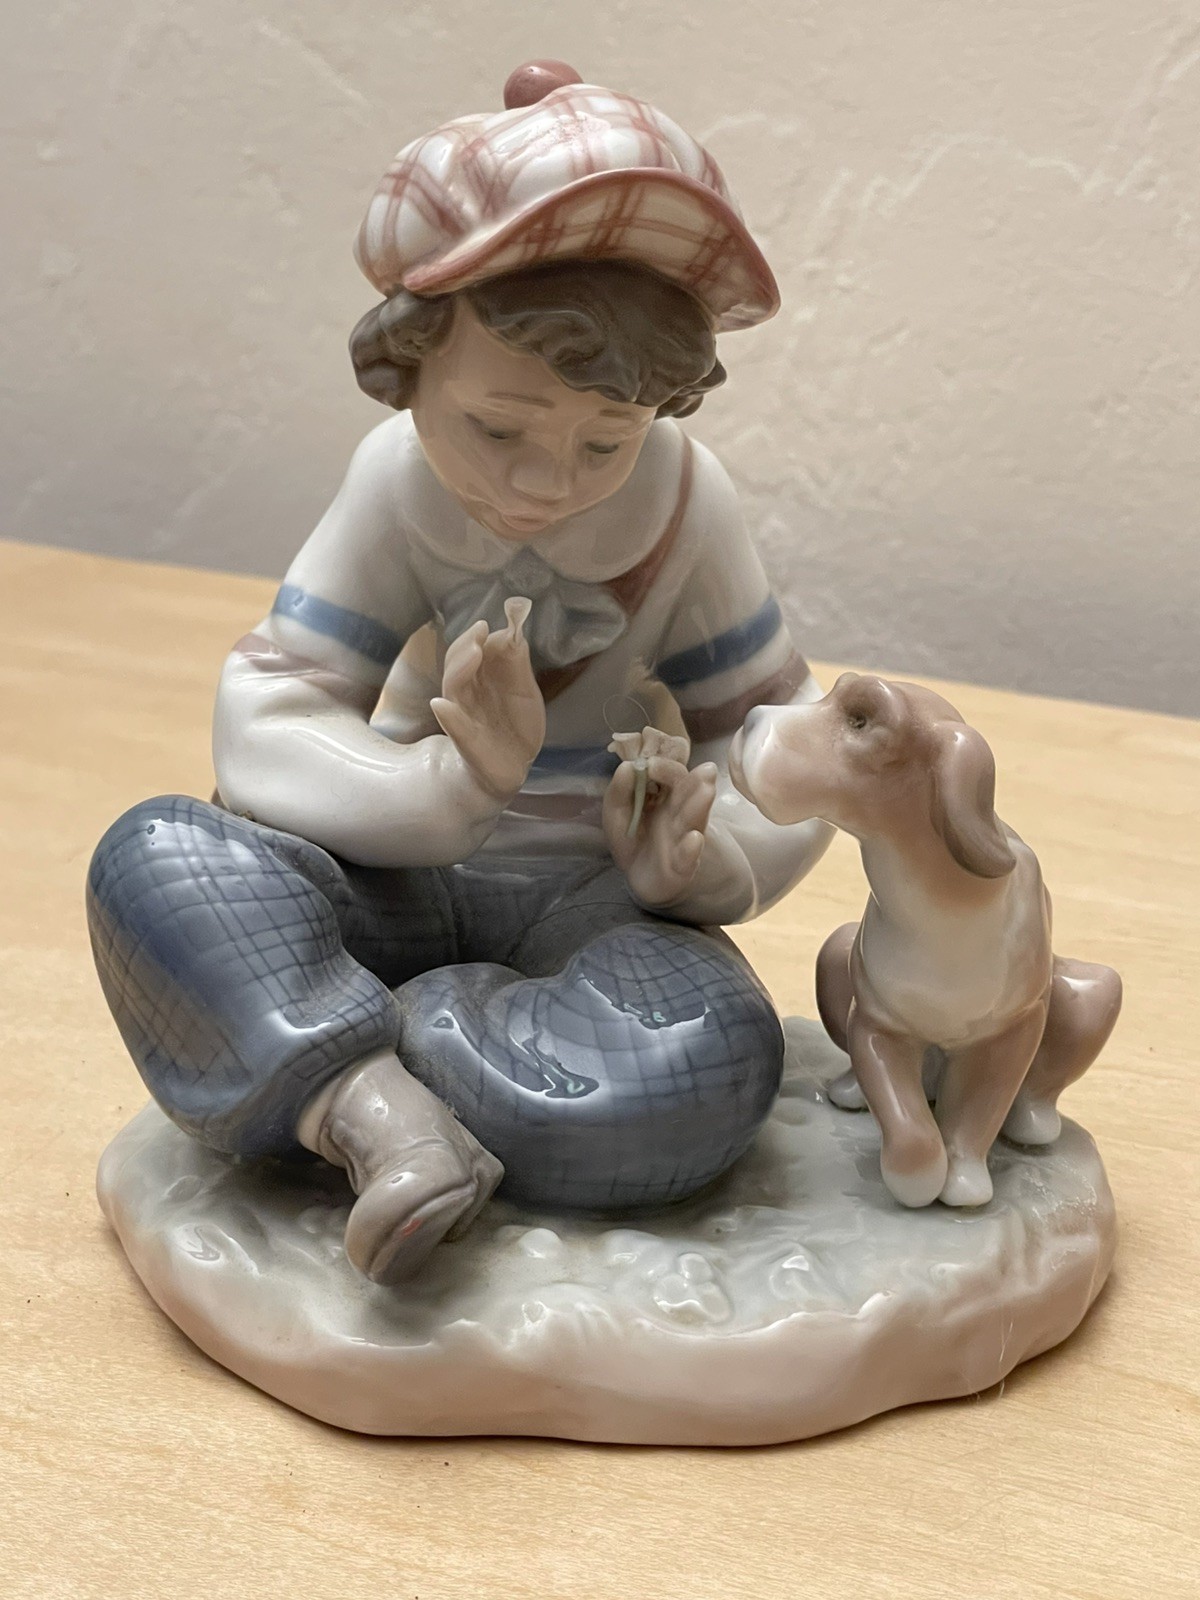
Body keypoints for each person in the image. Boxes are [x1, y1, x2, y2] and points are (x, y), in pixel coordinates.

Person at [87, 62, 833, 1285]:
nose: (544, 482)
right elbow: (273, 708)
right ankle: (382, 1116)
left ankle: (331, 1052)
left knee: (708, 1066)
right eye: (498, 427)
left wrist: (705, 861)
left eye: (606, 439)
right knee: (158, 861)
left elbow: (774, 732)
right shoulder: (394, 482)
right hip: (397, 875)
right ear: (412, 359)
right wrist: (448, 785)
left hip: (594, 900)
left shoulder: (689, 504)